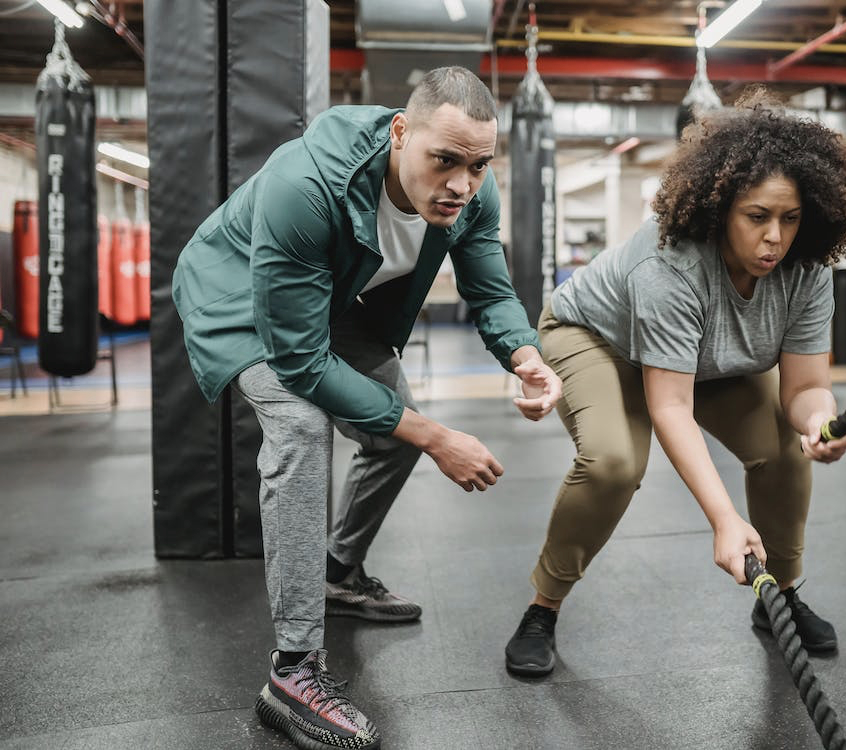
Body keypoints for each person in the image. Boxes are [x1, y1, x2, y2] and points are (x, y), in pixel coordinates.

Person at [172, 66, 561, 749]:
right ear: (399, 133)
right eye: (444, 161)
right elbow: (298, 361)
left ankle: (337, 571)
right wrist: (438, 436)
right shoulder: (305, 182)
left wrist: (524, 356)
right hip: (235, 291)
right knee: (299, 425)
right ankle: (292, 671)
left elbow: (490, 288)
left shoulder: (471, 186)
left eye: (476, 165)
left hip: (327, 294)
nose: (460, 185)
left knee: (394, 428)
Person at [504, 93, 846, 677]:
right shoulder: (670, 264)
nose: (775, 237)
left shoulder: (808, 269)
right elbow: (670, 406)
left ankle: (780, 598)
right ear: (722, 209)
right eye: (757, 217)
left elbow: (804, 388)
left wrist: (818, 422)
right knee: (614, 463)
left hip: (705, 360)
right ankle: (542, 608)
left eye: (790, 218)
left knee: (782, 446)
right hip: (598, 339)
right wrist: (724, 520)